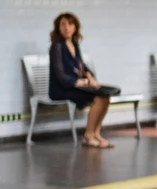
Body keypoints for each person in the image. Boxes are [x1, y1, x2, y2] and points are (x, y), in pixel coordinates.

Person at [48, 12, 114, 148]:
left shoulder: (74, 44)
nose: (67, 28)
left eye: (70, 24)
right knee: (97, 98)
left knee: (105, 96)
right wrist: (80, 82)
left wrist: (89, 77)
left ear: (75, 27)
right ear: (58, 27)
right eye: (63, 24)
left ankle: (96, 133)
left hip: (73, 86)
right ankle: (88, 136)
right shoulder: (57, 46)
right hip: (61, 89)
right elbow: (60, 75)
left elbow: (81, 66)